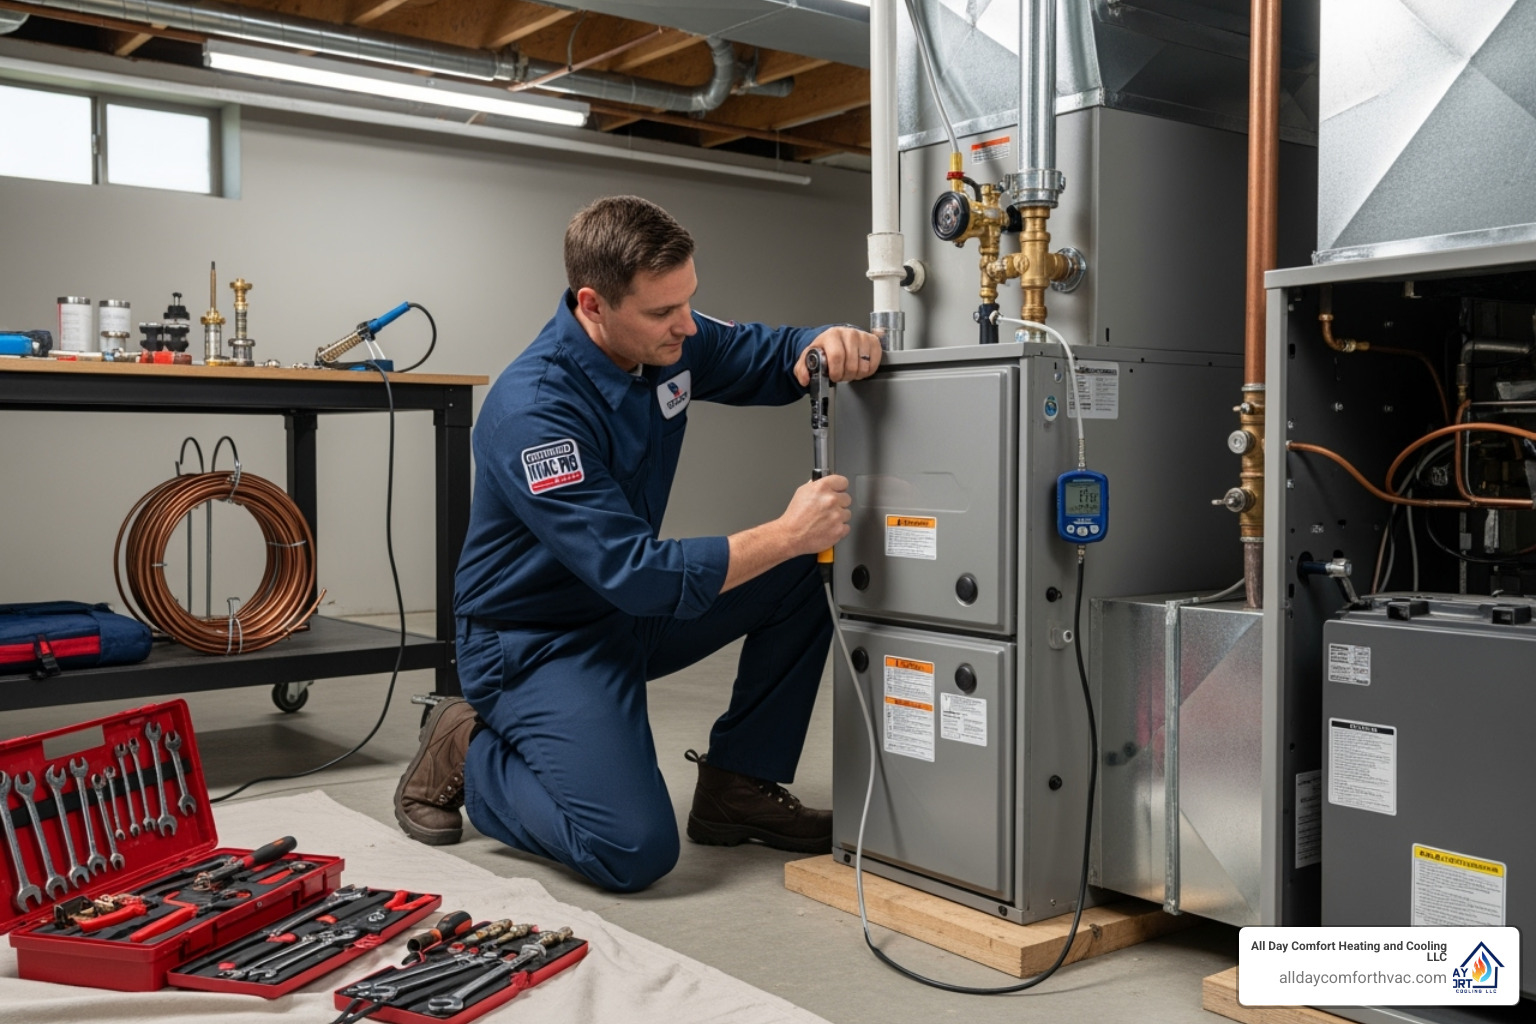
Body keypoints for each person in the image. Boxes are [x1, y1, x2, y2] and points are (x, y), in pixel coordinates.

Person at [393, 195, 882, 893]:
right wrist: (782, 531)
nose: (686, 325)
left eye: (689, 302)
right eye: (663, 312)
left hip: (623, 607)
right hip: (538, 642)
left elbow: (766, 353)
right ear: (593, 304)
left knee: (809, 564)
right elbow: (636, 574)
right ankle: (470, 750)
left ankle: (737, 786)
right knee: (630, 849)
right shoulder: (535, 412)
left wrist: (824, 340)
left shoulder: (665, 337)